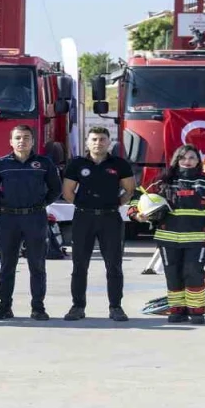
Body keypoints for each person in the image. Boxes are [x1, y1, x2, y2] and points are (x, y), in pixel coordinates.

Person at [133, 144, 205, 324]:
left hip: (197, 238)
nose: (187, 161)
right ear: (176, 160)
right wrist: (137, 214)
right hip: (168, 239)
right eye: (183, 158)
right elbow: (138, 197)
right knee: (172, 274)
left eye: (191, 158)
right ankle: (177, 311)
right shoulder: (163, 180)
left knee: (193, 273)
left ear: (198, 160)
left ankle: (196, 312)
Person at [0, 124, 61, 321]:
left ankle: (38, 307)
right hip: (8, 219)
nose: (22, 141)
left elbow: (56, 188)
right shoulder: (0, 165)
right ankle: (4, 307)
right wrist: (1, 202)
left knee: (37, 265)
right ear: (11, 141)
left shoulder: (44, 163)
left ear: (33, 141)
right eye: (18, 138)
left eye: (26, 137)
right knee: (7, 265)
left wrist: (41, 204)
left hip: (35, 218)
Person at [63, 126, 136, 321]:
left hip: (110, 218)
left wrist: (113, 204)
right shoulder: (77, 164)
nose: (98, 143)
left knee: (114, 265)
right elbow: (68, 191)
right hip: (83, 218)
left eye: (102, 139)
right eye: (94, 139)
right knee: (79, 265)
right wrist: (84, 205)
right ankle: (77, 307)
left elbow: (129, 190)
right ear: (87, 142)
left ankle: (116, 307)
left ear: (108, 142)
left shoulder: (119, 164)